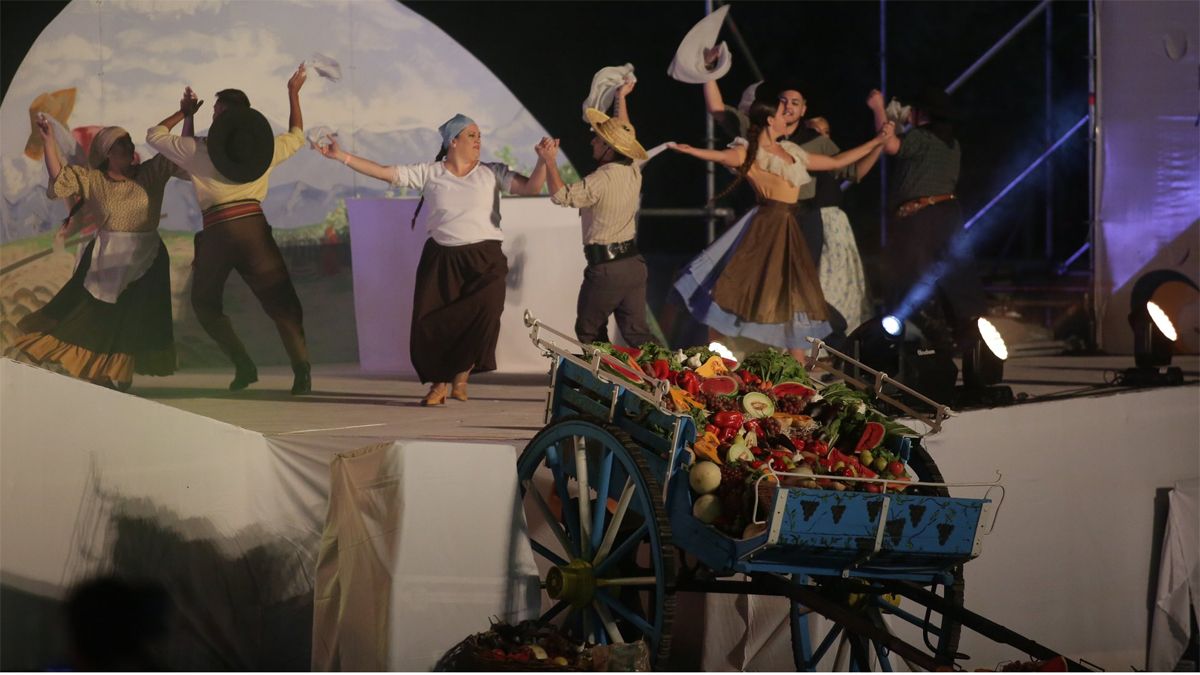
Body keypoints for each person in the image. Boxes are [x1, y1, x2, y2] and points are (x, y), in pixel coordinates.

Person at [315, 116, 550, 406]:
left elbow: (531, 189)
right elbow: (384, 172)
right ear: (453, 141)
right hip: (442, 258)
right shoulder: (431, 173)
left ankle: (462, 373)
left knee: (486, 310)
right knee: (436, 322)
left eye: (479, 135)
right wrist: (341, 156)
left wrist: (543, 162)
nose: (478, 140)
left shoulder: (492, 172)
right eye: (471, 135)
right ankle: (439, 385)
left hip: (484, 257)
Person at [670, 99, 893, 360]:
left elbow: (836, 162)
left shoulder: (792, 152)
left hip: (788, 228)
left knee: (790, 295)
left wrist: (876, 142)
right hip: (764, 229)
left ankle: (795, 367)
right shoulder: (751, 152)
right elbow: (722, 156)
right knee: (738, 289)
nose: (786, 115)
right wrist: (691, 151)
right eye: (781, 112)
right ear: (769, 120)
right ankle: (716, 353)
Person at [146, 65, 313, 395]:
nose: (213, 115)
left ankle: (243, 364)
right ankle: (302, 371)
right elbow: (296, 136)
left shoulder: (201, 150)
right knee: (283, 304)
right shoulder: (263, 148)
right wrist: (293, 94)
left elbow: (154, 135)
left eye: (216, 111)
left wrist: (183, 112)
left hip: (218, 233)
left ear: (223, 117)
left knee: (205, 303)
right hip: (253, 231)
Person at [7, 117, 184, 390]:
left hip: (148, 258)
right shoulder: (92, 179)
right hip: (107, 257)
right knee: (95, 319)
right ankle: (95, 373)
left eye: (127, 143)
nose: (126, 148)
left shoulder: (150, 173)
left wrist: (185, 115)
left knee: (132, 320)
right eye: (119, 144)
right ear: (106, 152)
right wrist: (48, 141)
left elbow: (179, 152)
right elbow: (59, 181)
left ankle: (121, 373)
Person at [869, 86, 985, 363]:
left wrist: (877, 108)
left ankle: (920, 341)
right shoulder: (951, 144)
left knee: (907, 277)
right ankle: (967, 340)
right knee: (954, 278)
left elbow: (889, 145)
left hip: (923, 217)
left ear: (923, 114)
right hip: (949, 214)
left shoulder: (921, 137)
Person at [539, 82, 655, 347]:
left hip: (607, 268)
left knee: (589, 332)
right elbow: (626, 132)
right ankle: (669, 381)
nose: (592, 140)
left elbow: (560, 196)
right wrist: (620, 98)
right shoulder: (633, 169)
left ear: (609, 149)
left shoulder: (601, 179)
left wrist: (549, 161)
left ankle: (604, 384)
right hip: (633, 265)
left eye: (598, 139)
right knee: (638, 334)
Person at [804, 114, 872, 334]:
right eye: (816, 131)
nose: (822, 137)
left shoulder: (831, 157)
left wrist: (879, 144)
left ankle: (847, 335)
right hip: (814, 218)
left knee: (845, 279)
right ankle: (817, 335)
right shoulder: (803, 156)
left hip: (836, 221)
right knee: (821, 279)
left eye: (826, 132)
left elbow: (855, 172)